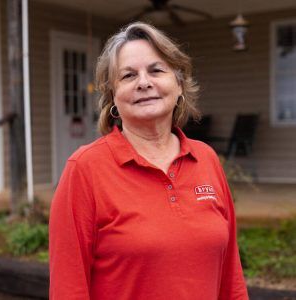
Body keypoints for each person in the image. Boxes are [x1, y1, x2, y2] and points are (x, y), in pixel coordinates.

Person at [49, 22, 249, 300]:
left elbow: (231, 277)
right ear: (113, 97)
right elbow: (68, 288)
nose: (144, 82)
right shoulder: (85, 168)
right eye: (129, 75)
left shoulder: (206, 159)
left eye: (156, 70)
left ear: (179, 85)